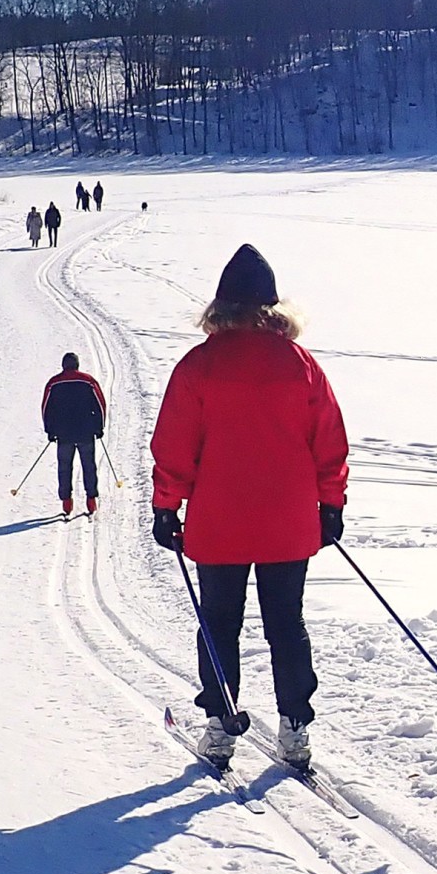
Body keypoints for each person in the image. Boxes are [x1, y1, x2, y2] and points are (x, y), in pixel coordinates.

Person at [149, 244, 348, 768]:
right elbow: (328, 441)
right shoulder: (301, 366)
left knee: (219, 622)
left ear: (221, 307)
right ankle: (295, 729)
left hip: (220, 525)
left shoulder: (197, 367)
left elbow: (174, 448)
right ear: (272, 307)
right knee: (287, 623)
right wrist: (331, 505)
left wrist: (167, 507)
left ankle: (220, 725)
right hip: (290, 522)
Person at [43, 352, 106, 517]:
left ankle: (66, 502)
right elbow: (100, 405)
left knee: (64, 467)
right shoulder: (88, 381)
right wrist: (99, 427)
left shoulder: (54, 383)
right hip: (86, 432)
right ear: (77, 365)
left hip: (63, 434)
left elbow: (46, 409)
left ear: (63, 365)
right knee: (89, 466)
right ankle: (91, 500)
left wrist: (50, 430)